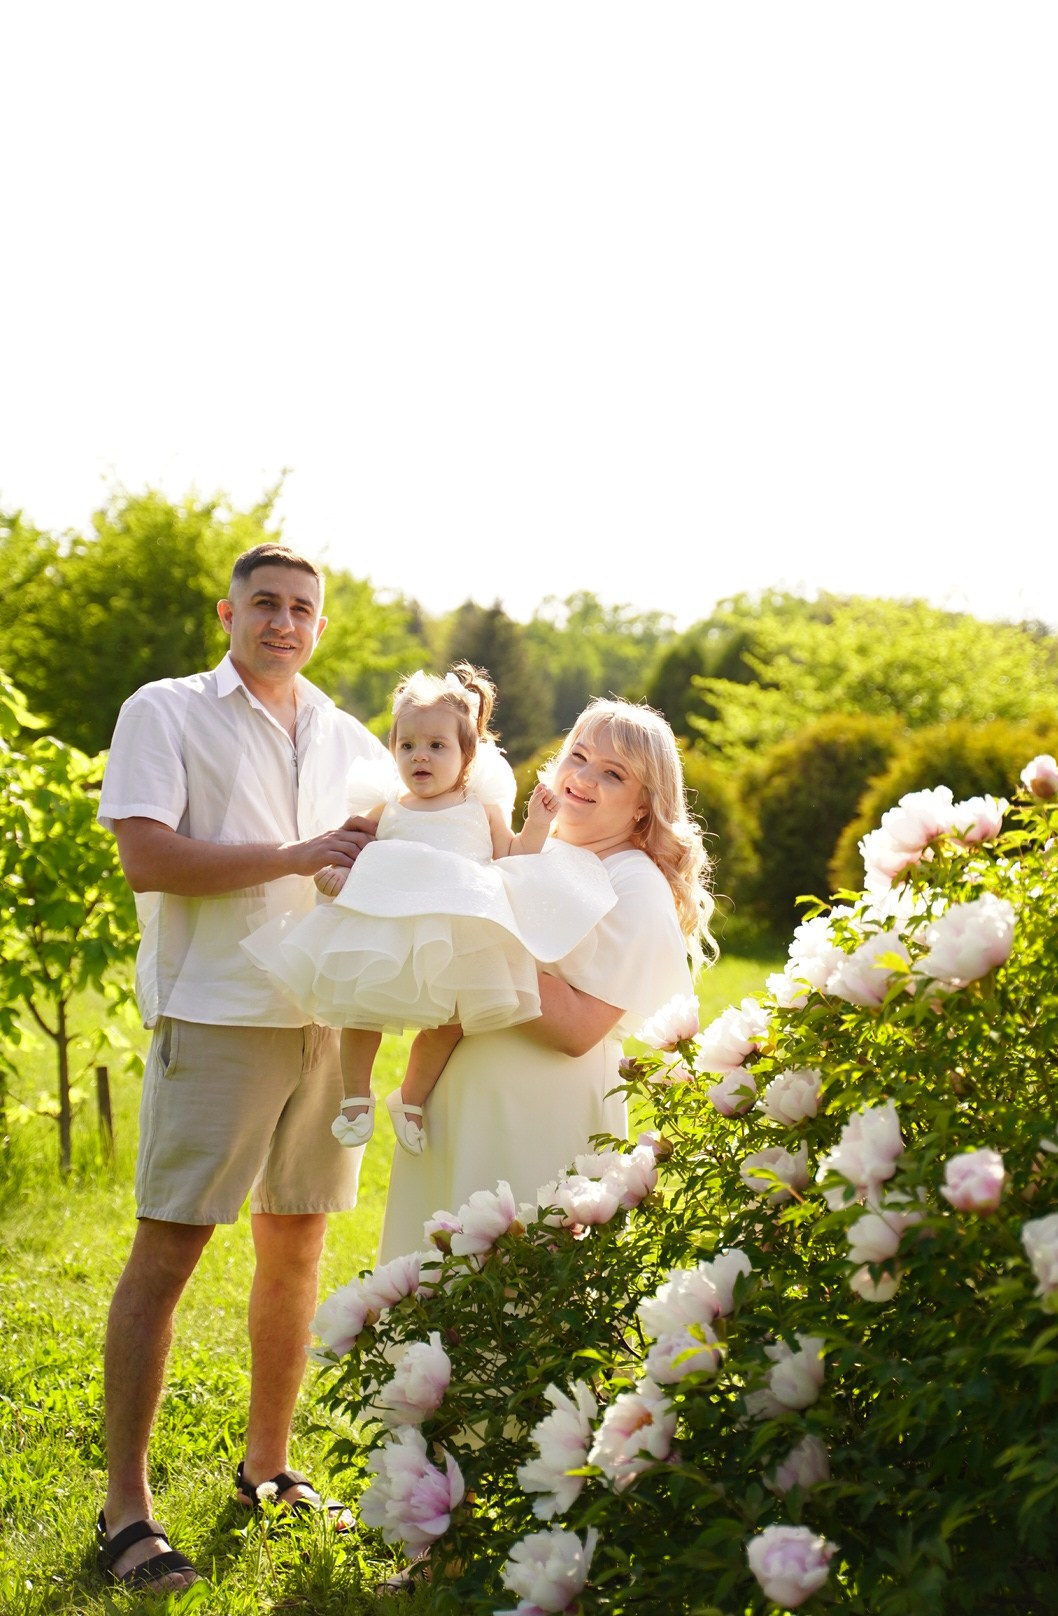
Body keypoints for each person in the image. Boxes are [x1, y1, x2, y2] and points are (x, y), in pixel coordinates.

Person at [94, 543, 389, 1592]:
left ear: (321, 624)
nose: (283, 620)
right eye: (265, 602)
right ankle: (125, 1509)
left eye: (303, 607)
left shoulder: (354, 739)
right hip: (216, 1012)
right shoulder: (166, 710)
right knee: (167, 1253)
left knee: (297, 1246)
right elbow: (148, 854)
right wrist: (298, 853)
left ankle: (266, 1466)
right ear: (228, 610)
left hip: (324, 1018)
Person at [377, 697, 714, 1263]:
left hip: (537, 1117)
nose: (583, 779)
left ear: (642, 807)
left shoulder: (635, 884)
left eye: (613, 774)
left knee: (511, 1298)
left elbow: (579, 1028)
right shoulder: (536, 850)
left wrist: (478, 938)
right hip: (457, 1103)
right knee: (433, 1297)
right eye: (577, 757)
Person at [241, 663, 618, 1156]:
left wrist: (538, 823)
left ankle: (412, 1097)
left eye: (437, 746)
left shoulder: (477, 809)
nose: (420, 756)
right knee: (361, 1011)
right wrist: (335, 877)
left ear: (466, 756)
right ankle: (355, 1095)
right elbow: (347, 851)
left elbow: (515, 861)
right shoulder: (387, 806)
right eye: (407, 745)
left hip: (454, 932)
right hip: (383, 925)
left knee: (449, 1022)